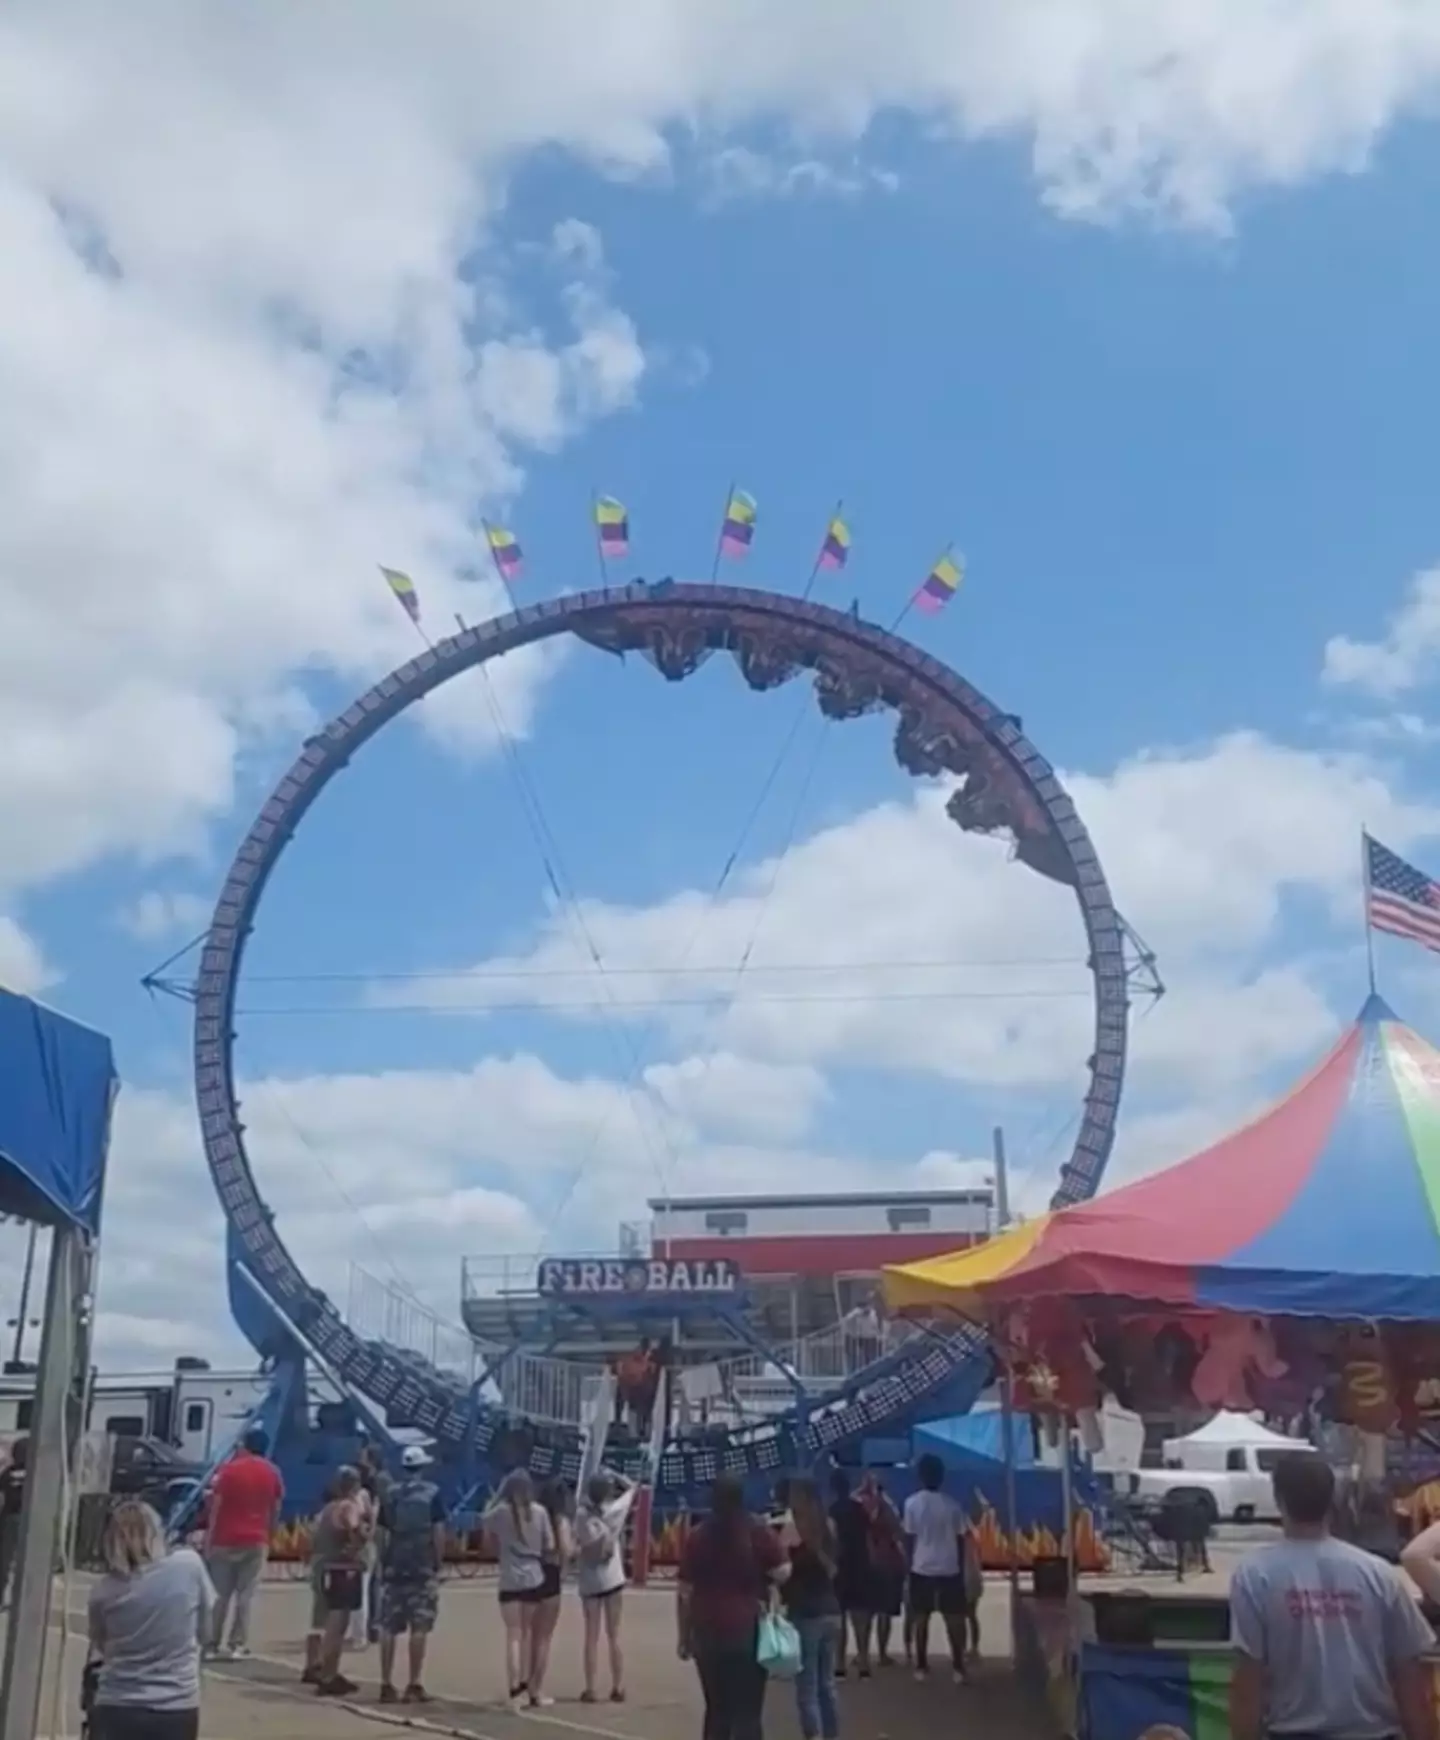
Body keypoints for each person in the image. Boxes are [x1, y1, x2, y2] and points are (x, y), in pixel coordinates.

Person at [1232, 1451, 1435, 1740]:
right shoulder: (1378, 1574)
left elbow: (1248, 1682)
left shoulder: (1255, 1575)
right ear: (1332, 1502)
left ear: (1279, 1501)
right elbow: (1410, 1681)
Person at [86, 1499, 215, 1740]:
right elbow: (205, 1629)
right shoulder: (187, 1566)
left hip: (117, 1701)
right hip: (176, 1702)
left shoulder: (103, 1592)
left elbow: (101, 1644)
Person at [677, 1474, 790, 1740]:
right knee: (749, 1711)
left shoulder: (698, 1535)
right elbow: (784, 1571)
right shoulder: (757, 1529)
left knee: (717, 1709)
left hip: (707, 1630)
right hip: (748, 1629)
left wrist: (684, 1636)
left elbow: (684, 1593)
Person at [203, 1424, 283, 1659]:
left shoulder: (228, 1471)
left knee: (219, 1595)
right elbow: (275, 1508)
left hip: (224, 1539)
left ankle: (211, 1644)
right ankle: (237, 1644)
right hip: (256, 1539)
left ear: (246, 1446)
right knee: (246, 1595)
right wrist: (270, 1533)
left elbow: (216, 1507)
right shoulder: (272, 1472)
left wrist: (209, 1537)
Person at [376, 1444, 446, 1706]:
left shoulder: (390, 1494)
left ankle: (385, 1683)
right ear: (423, 1467)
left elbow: (381, 1532)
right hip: (421, 1564)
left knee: (389, 1626)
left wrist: (384, 1561)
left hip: (396, 1563)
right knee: (420, 1625)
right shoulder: (432, 1493)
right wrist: (438, 1561)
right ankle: (414, 1683)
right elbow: (439, 1531)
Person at [483, 1469, 554, 1708]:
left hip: (510, 1578)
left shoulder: (501, 1512)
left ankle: (515, 1687)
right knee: (527, 1633)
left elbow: (483, 1519)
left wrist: (495, 1497)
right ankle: (527, 1683)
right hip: (534, 1577)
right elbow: (550, 1545)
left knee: (513, 1634)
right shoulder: (540, 1512)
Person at [902, 1453, 971, 1683]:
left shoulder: (911, 1504)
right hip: (949, 1568)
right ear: (942, 1477)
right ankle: (958, 1667)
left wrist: (908, 1567)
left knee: (921, 1618)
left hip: (921, 1567)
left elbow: (909, 1539)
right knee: (955, 1619)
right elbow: (961, 1540)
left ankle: (921, 1666)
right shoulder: (953, 1506)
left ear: (920, 1476)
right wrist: (961, 1568)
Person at [781, 1477, 842, 1740]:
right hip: (831, 1611)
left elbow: (782, 1570)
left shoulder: (793, 1528)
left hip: (805, 1613)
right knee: (827, 1685)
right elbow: (834, 1568)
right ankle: (832, 1735)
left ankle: (814, 1736)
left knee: (806, 1687)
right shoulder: (829, 1525)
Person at [303, 1466, 370, 1697]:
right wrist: (361, 1540)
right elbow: (355, 1529)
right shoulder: (349, 1506)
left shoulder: (327, 1508)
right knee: (337, 1623)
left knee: (321, 1619)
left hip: (323, 1567)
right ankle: (329, 1673)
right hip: (342, 1569)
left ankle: (319, 1666)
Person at [575, 1471, 631, 1704]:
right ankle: (618, 1686)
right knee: (614, 1635)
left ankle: (590, 1688)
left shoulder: (581, 1516)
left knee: (591, 1636)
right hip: (613, 1578)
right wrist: (615, 1474)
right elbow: (631, 1488)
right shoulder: (615, 1511)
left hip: (590, 1580)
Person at [528, 1479, 572, 1709]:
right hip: (550, 1573)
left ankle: (524, 1685)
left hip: (530, 1572)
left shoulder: (532, 1515)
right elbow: (565, 1547)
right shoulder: (559, 1519)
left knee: (530, 1635)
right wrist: (565, 1567)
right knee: (544, 1637)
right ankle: (536, 1690)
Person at [856, 1473, 906, 1667]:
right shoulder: (887, 1506)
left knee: (864, 1611)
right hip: (886, 1562)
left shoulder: (857, 1503)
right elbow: (898, 1531)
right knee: (884, 1610)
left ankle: (863, 1654)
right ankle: (882, 1654)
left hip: (863, 1563)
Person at [828, 1470, 873, 1677]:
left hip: (840, 1567)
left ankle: (840, 1663)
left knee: (840, 1616)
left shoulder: (831, 1511)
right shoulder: (859, 1509)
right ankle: (863, 1660)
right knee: (861, 1616)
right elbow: (869, 1534)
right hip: (860, 1565)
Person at [0, 1436, 28, 1608]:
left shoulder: (8, 1472)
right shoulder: (37, 1472)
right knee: (21, 1563)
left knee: (5, 1561)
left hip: (9, 1519)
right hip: (25, 1519)